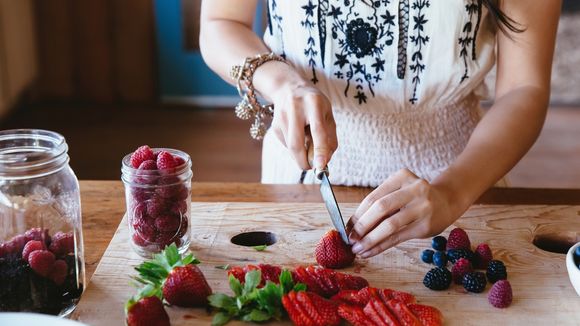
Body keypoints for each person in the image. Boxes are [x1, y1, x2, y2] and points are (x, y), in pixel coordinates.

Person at [200, 0, 561, 258]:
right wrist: (281, 84)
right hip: (297, 178)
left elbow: (523, 88)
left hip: (464, 186)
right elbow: (220, 23)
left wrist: (451, 193)